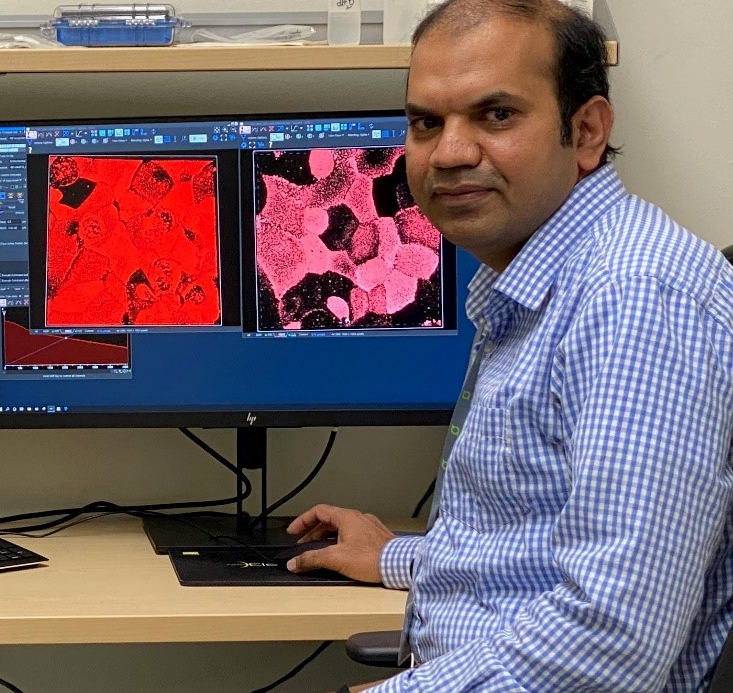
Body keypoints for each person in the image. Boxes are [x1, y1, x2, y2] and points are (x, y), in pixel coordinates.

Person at [285, 0, 733, 690]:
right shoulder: (541, 278)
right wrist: (399, 555)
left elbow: (612, 638)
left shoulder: (636, 297)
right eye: (427, 122)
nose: (452, 152)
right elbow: (530, 547)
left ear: (585, 132)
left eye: (496, 115)